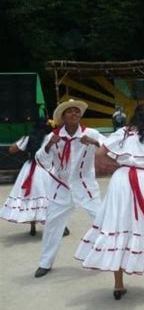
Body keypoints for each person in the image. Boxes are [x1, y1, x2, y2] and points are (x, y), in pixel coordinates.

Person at [75, 102, 144, 300]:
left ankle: (118, 286)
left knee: (118, 225)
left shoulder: (122, 132)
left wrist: (119, 164)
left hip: (121, 180)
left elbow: (100, 155)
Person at [34, 99, 104, 278]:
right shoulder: (53, 136)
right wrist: (50, 145)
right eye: (70, 111)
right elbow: (41, 160)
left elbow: (109, 149)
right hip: (61, 186)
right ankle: (45, 263)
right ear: (63, 117)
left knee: (103, 220)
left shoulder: (91, 133)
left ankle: (104, 256)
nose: (74, 114)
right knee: (52, 225)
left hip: (85, 185)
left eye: (77, 111)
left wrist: (94, 143)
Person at [0, 118, 53, 235]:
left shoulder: (28, 139)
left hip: (29, 169)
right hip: (45, 169)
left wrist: (21, 141)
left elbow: (11, 149)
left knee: (30, 196)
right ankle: (59, 226)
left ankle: (32, 225)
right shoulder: (50, 138)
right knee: (49, 196)